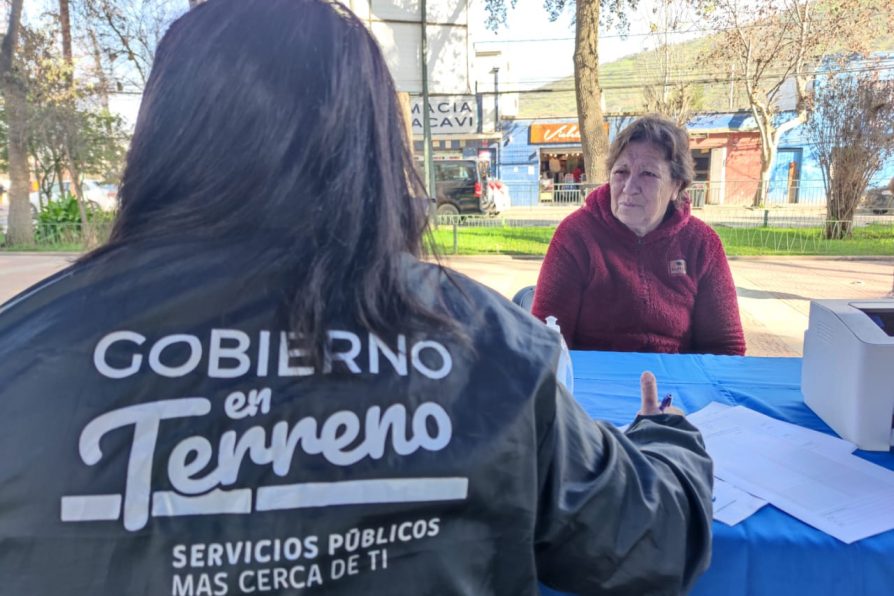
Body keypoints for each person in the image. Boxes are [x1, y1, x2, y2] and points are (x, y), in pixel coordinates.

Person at [0, 2, 713, 594]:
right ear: (371, 148)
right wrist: (670, 437)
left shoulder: (23, 355)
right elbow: (654, 539)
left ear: (161, 137)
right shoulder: (487, 352)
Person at [533, 115, 746, 356]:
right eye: (621, 172)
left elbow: (726, 348)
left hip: (674, 384)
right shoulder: (576, 235)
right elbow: (546, 341)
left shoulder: (701, 243)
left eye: (648, 174)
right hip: (593, 383)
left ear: (677, 186)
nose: (629, 187)